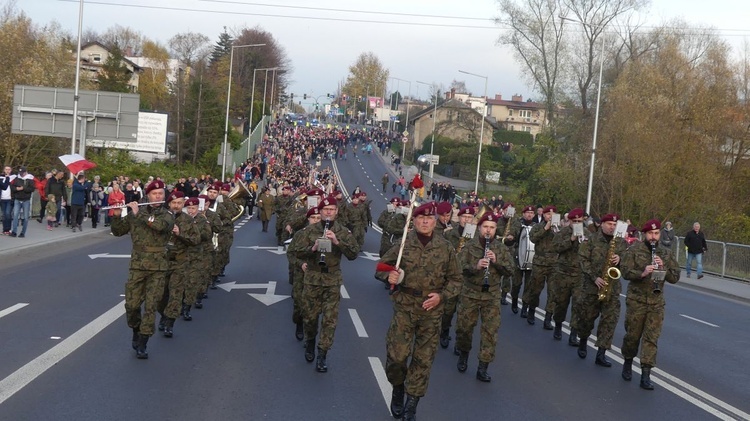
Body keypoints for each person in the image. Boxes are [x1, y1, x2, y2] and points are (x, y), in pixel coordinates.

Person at [376, 202, 462, 420]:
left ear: (436, 221)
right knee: (397, 356)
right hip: (405, 306)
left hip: (431, 310)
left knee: (423, 360)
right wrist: (390, 276)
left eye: (429, 218)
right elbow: (381, 268)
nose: (425, 222)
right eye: (421, 218)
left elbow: (456, 280)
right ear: (413, 221)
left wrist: (441, 296)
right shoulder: (404, 244)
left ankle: (411, 404)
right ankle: (397, 387)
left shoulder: (445, 248)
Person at [287, 195, 360, 373]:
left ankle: (322, 354)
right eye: (325, 210)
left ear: (336, 212)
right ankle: (310, 341)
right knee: (310, 317)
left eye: (332, 210)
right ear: (320, 211)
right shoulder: (308, 231)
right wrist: (312, 249)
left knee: (330, 321)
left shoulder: (343, 231)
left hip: (332, 280)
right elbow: (295, 251)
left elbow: (353, 254)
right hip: (312, 278)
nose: (328, 213)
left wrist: (337, 241)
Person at [110, 180, 174, 359]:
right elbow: (118, 231)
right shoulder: (136, 214)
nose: (158, 196)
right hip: (137, 266)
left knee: (151, 306)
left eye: (161, 193)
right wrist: (116, 215)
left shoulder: (167, 215)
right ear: (148, 195)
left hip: (158, 268)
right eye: (155, 194)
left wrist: (138, 214)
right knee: (131, 305)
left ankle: (143, 342)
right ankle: (136, 330)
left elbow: (160, 226)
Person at [619, 219, 680, 390]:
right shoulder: (634, 250)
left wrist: (664, 268)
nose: (653, 237)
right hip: (636, 300)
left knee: (651, 339)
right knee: (632, 336)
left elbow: (675, 277)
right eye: (650, 234)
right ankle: (628, 362)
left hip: (656, 302)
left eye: (656, 233)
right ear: (644, 234)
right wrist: (643, 272)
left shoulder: (666, 253)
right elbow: (624, 272)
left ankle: (646, 374)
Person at [455, 212, 514, 382]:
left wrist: (496, 261)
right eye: (486, 227)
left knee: (490, 332)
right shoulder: (469, 246)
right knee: (464, 328)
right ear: (480, 228)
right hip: (470, 293)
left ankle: (483, 367)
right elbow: (458, 267)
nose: (488, 231)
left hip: (492, 294)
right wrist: (476, 266)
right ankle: (463, 355)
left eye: (492, 228)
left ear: (496, 229)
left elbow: (510, 270)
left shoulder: (501, 248)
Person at [575, 213, 627, 366]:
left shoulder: (621, 242)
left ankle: (601, 353)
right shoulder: (591, 239)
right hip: (592, 287)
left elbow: (629, 262)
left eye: (614, 224)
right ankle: (583, 341)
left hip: (612, 288)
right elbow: (583, 259)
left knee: (609, 321)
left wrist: (621, 259)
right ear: (602, 224)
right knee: (586, 318)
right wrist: (594, 277)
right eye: (609, 224)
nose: (612, 227)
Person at [156, 191, 199, 338]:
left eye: (179, 203)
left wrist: (180, 234)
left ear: (183, 204)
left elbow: (195, 240)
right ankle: (163, 314)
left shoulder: (188, 220)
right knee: (160, 296)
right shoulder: (161, 218)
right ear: (169, 204)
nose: (176, 205)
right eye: (174, 203)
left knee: (175, 294)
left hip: (180, 262)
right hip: (162, 262)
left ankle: (169, 323)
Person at [287, 206, 323, 341]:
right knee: (299, 303)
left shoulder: (327, 235)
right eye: (313, 217)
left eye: (318, 218)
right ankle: (299, 324)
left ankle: (310, 339)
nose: (315, 220)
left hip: (318, 276)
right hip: (301, 275)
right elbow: (290, 254)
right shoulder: (300, 234)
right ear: (308, 219)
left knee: (314, 308)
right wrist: (300, 264)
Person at [551, 207, 585, 345]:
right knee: (561, 303)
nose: (577, 223)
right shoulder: (563, 232)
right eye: (574, 221)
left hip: (580, 275)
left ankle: (573, 334)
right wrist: (571, 240)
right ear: (569, 221)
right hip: (563, 273)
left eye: (579, 221)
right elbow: (556, 247)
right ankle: (558, 325)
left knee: (578, 305)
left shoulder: (587, 233)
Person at [525, 205, 559, 329]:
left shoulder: (559, 228)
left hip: (554, 263)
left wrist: (557, 231)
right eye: (548, 214)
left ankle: (548, 318)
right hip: (540, 262)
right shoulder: (537, 226)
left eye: (553, 214)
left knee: (553, 292)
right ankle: (531, 312)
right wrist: (546, 228)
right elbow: (533, 239)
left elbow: (563, 243)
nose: (551, 216)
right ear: (544, 215)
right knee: (535, 290)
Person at [10, 166, 35, 238]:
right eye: (20, 172)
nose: (21, 174)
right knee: (15, 216)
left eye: (22, 173)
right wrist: (16, 189)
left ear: (25, 172)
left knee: (26, 217)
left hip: (26, 200)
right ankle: (14, 231)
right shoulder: (17, 178)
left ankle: (23, 233)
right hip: (17, 199)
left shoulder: (30, 179)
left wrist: (24, 188)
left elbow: (32, 189)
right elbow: (12, 187)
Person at [1, 166, 14, 235]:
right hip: (2, 199)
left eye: (9, 169)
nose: (7, 171)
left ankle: (8, 229)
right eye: (6, 169)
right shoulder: (1, 178)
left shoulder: (13, 178)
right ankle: (4, 229)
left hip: (9, 199)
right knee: (3, 214)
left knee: (8, 213)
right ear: (4, 170)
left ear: (11, 170)